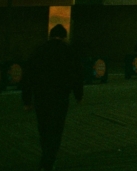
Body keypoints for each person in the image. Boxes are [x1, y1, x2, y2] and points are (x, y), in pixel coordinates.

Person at [22, 24, 84, 171]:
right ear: (64, 36)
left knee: (43, 127)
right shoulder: (68, 51)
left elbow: (28, 76)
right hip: (60, 96)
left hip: (41, 96)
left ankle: (45, 156)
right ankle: (49, 159)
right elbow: (76, 75)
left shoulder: (39, 50)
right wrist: (78, 95)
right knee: (56, 128)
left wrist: (26, 100)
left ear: (50, 35)